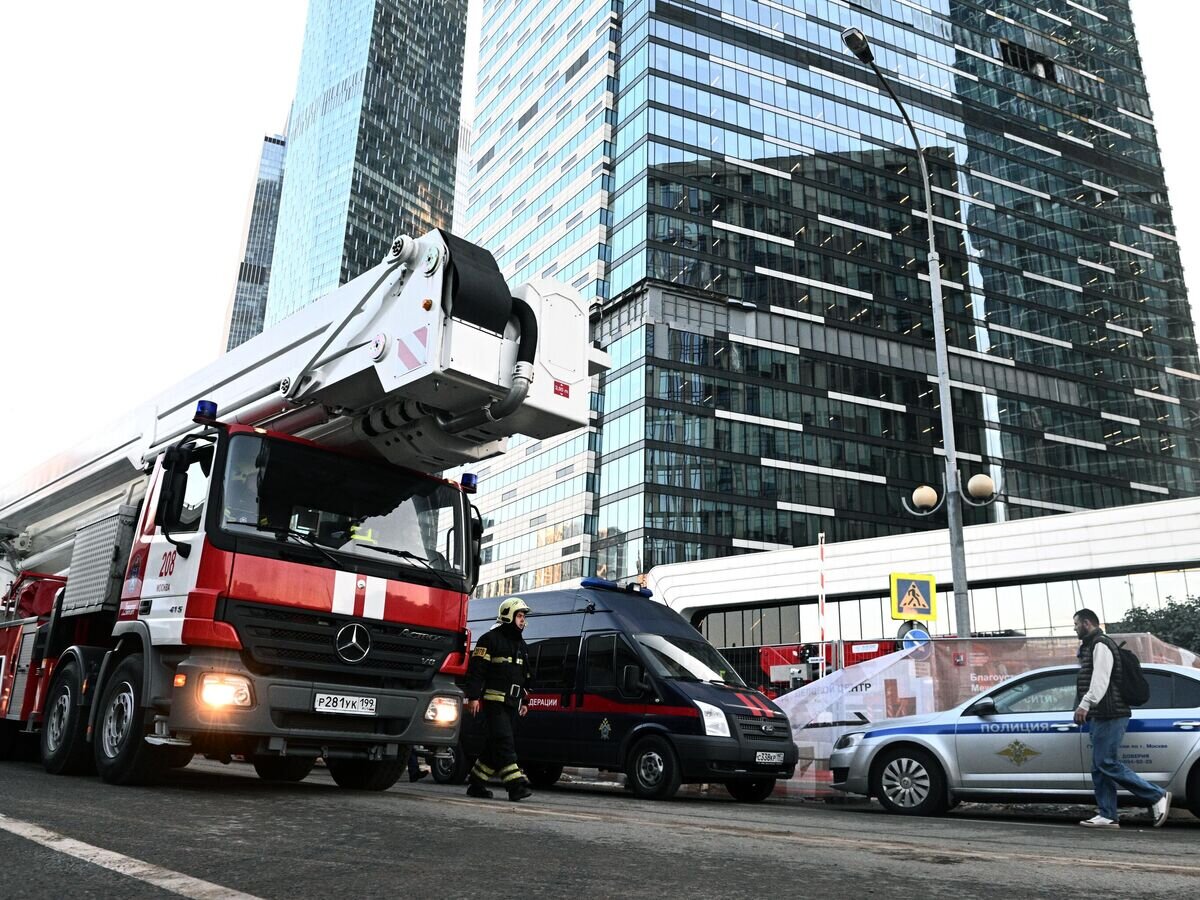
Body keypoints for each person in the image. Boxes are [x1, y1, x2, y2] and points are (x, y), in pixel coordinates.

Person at [1072, 608, 1170, 829]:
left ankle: (1156, 795)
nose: (1074, 628)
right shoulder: (1092, 646)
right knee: (1099, 766)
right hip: (1103, 713)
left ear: (1087, 623)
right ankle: (1108, 815)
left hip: (1110, 713)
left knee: (1106, 762)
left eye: (1076, 624)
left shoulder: (1100, 644)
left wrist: (1084, 705)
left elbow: (1100, 680)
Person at [463, 597, 534, 802]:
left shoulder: (521, 645)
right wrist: (474, 697)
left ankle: (476, 784)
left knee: (493, 747)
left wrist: (525, 701)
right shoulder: (489, 640)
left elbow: (527, 676)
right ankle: (515, 786)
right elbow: (477, 671)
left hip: (512, 704)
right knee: (504, 742)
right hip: (493, 703)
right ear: (508, 616)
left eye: (523, 617)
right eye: (519, 616)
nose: (522, 621)